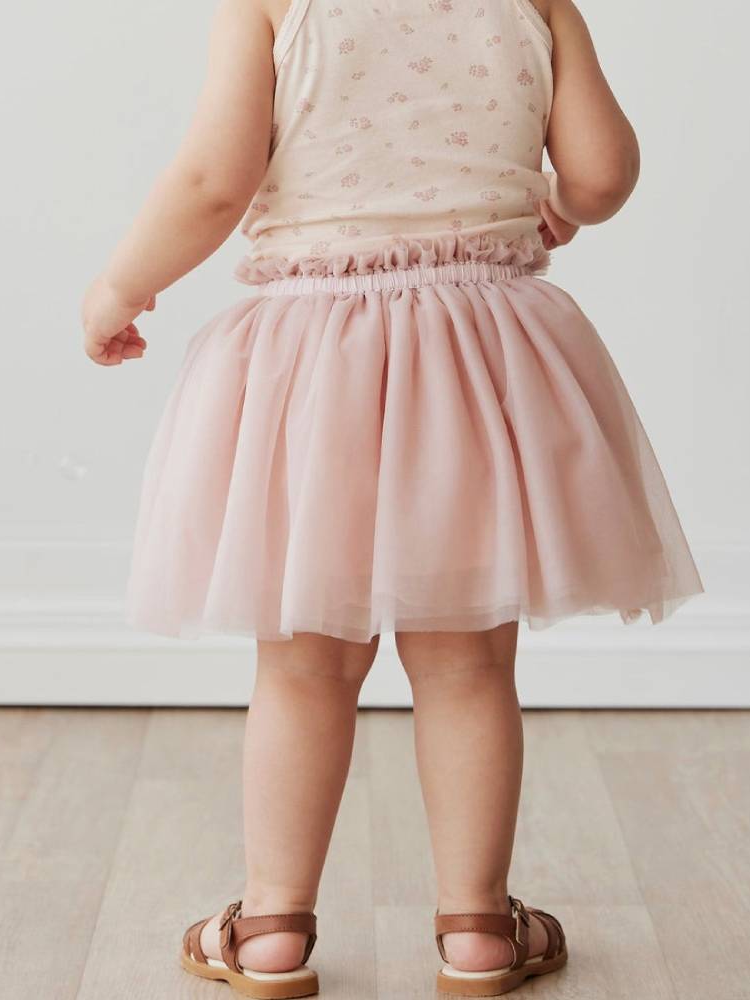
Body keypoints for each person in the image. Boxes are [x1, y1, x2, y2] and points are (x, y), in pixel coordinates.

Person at [80, 1, 704, 995]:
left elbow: (212, 181)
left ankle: (271, 930)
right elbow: (600, 173)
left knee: (302, 668)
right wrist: (562, 201)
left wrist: (122, 284)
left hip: (314, 372)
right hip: (480, 363)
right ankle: (478, 931)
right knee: (468, 665)